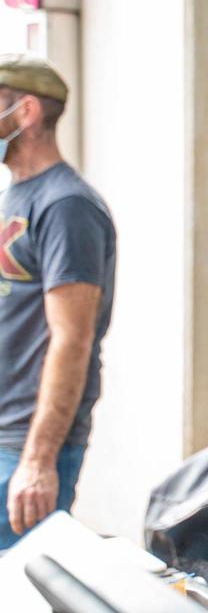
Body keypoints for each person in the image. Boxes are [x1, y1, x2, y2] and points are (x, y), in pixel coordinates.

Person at [0, 55, 115, 549]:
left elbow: (73, 339)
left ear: (25, 113)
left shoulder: (66, 206)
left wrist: (38, 460)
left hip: (24, 444)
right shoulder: (19, 196)